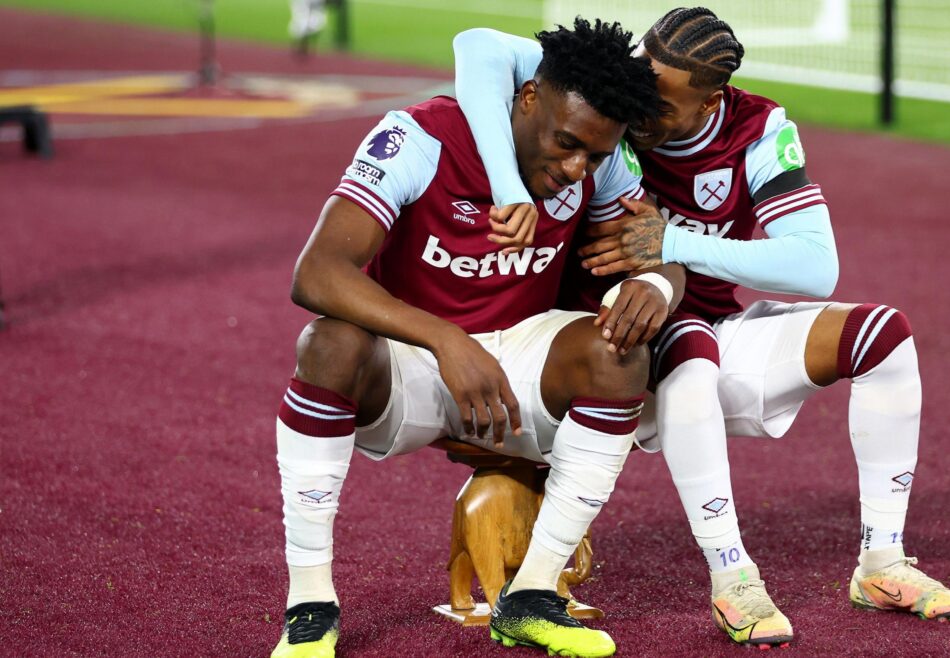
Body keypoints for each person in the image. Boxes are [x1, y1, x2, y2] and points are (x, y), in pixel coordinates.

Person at [453, 6, 950, 647]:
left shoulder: (757, 131)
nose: (637, 112)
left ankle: (883, 562)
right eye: (640, 84)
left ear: (710, 103)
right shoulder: (613, 95)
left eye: (660, 105)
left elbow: (817, 266)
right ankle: (733, 577)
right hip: (604, 350)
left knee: (882, 335)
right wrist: (509, 188)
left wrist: (672, 243)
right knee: (690, 346)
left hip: (709, 330)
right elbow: (476, 44)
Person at [270, 19, 683, 658]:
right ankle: (310, 606)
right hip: (410, 362)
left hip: (518, 363)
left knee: (617, 355)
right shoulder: (419, 137)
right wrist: (447, 341)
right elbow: (317, 272)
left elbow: (662, 254)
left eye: (595, 156)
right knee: (328, 344)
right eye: (567, 143)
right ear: (527, 98)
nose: (576, 168)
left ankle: (532, 597)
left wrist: (656, 285)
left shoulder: (597, 166)